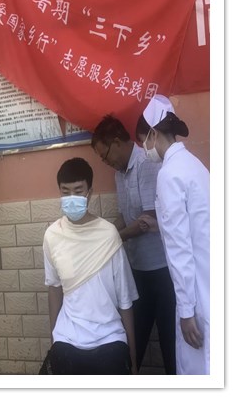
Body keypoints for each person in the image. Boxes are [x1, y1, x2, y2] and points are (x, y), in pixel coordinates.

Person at [91, 115, 176, 374]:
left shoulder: (146, 164)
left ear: (117, 142)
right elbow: (125, 217)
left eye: (105, 156)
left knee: (170, 344)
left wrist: (113, 239)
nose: (106, 162)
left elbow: (146, 220)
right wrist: (102, 232)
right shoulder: (120, 173)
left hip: (162, 271)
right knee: (133, 341)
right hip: (137, 270)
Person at [40, 158, 138, 375]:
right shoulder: (52, 235)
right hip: (67, 337)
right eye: (65, 192)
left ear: (90, 193)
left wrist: (132, 356)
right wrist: (54, 339)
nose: (71, 198)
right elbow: (54, 289)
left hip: (110, 336)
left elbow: (125, 298)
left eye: (78, 191)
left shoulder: (108, 234)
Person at [135, 94, 210, 375]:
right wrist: (160, 226)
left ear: (153, 134)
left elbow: (180, 249)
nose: (144, 149)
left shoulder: (169, 175)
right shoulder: (193, 165)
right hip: (210, 279)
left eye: (143, 141)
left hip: (197, 293)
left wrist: (186, 311)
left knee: (198, 367)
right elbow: (193, 223)